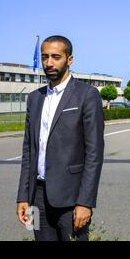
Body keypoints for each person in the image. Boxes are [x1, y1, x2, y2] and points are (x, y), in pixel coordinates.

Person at [16, 35, 105, 241]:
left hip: (72, 199)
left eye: (56, 57)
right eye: (45, 57)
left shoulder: (86, 95)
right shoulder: (34, 98)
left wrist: (85, 202)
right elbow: (28, 150)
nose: (49, 63)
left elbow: (94, 154)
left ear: (69, 60)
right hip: (37, 197)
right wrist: (23, 196)